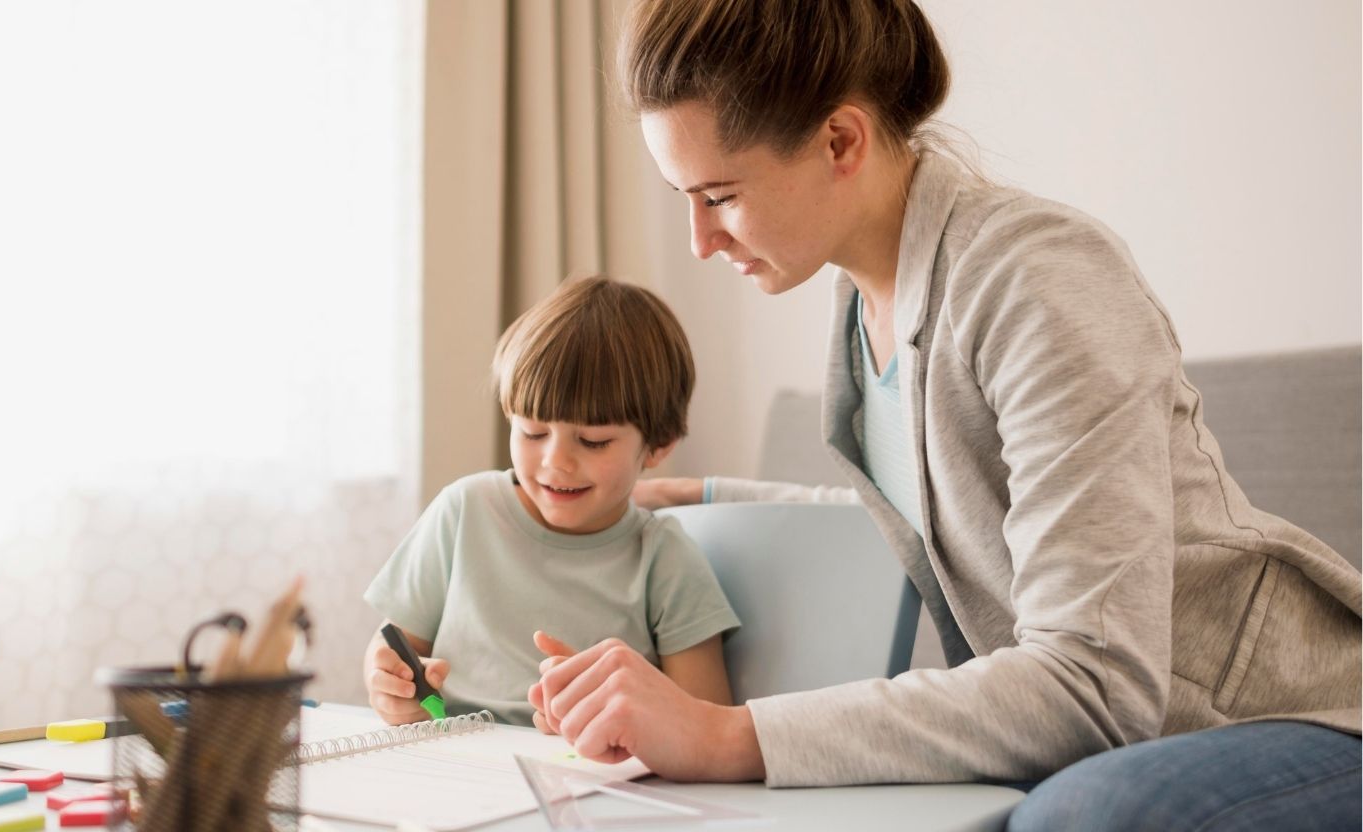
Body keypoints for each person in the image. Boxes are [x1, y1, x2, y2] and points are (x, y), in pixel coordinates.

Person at [527, 1, 1362, 827]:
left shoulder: (1039, 280)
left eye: (720, 195)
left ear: (839, 140)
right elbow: (956, 513)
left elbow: (1095, 683)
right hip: (1129, 739)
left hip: (1292, 720)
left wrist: (727, 736)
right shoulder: (861, 301)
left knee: (1088, 814)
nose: (701, 239)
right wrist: (707, 495)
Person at [361, 276, 740, 727]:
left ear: (658, 445)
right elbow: (392, 648)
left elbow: (709, 721)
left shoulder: (665, 559)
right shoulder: (463, 511)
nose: (555, 462)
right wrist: (390, 685)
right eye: (533, 433)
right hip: (452, 758)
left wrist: (611, 715)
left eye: (593, 441)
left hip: (581, 776)